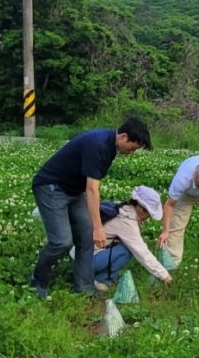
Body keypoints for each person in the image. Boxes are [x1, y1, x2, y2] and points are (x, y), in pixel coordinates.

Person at [30, 117, 153, 298]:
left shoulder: (110, 147)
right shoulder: (98, 145)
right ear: (123, 136)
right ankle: (37, 281)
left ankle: (84, 289)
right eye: (132, 148)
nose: (131, 153)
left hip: (73, 192)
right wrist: (98, 227)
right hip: (51, 188)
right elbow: (92, 189)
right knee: (62, 241)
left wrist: (93, 228)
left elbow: (90, 186)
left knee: (85, 237)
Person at [91, 185, 174, 291]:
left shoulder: (122, 207)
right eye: (148, 215)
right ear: (140, 209)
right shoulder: (127, 221)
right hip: (88, 260)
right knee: (127, 250)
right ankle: (101, 279)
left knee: (126, 247)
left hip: (82, 254)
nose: (147, 219)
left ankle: (100, 275)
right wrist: (165, 276)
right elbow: (142, 253)